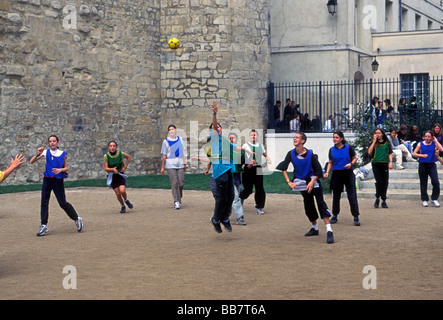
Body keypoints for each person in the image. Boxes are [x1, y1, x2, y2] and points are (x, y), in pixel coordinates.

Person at [276, 132, 334, 244]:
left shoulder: (310, 154)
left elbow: (318, 170)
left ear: (303, 141)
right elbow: (283, 168)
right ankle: (315, 228)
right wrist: (289, 182)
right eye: (294, 137)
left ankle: (329, 230)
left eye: (297, 137)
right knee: (308, 205)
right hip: (302, 182)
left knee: (320, 203)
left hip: (313, 181)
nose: (294, 139)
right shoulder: (291, 154)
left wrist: (312, 182)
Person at [209, 101, 252, 233]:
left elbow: (236, 147)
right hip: (220, 172)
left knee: (231, 196)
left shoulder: (225, 141)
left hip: (229, 171)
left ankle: (225, 219)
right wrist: (214, 114)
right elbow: (215, 128)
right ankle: (216, 219)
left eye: (220, 127)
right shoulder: (215, 139)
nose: (218, 128)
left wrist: (247, 150)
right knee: (221, 198)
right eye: (216, 128)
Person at [30, 135, 83, 236]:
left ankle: (77, 219)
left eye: (54, 141)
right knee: (44, 202)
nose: (52, 143)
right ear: (49, 143)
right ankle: (44, 225)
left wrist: (61, 170)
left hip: (57, 181)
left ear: (57, 142)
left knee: (62, 203)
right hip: (47, 180)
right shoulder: (45, 152)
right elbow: (32, 161)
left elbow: (66, 168)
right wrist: (37, 154)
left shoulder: (62, 154)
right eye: (50, 141)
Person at [324, 131, 360, 226]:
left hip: (348, 173)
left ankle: (356, 216)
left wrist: (351, 164)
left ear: (341, 139)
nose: (334, 139)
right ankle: (335, 215)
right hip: (336, 174)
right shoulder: (331, 150)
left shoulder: (348, 148)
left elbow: (354, 158)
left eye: (336, 137)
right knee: (336, 196)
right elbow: (330, 162)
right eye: (334, 137)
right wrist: (327, 172)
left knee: (352, 196)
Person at [240, 129, 271, 215]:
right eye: (252, 135)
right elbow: (242, 155)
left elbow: (264, 153)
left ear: (257, 136)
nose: (253, 136)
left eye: (255, 135)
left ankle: (259, 207)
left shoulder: (260, 146)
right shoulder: (246, 145)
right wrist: (248, 164)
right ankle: (239, 202)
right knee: (248, 189)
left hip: (258, 168)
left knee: (260, 188)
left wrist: (268, 158)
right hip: (248, 169)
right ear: (250, 136)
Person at [412, 131, 443, 207]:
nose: (427, 138)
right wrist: (422, 155)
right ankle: (425, 199)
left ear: (432, 137)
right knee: (423, 183)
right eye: (426, 136)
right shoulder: (420, 144)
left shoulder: (433, 143)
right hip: (423, 165)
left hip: (432, 164)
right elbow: (414, 154)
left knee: (435, 181)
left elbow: (441, 149)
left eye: (429, 136)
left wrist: (435, 140)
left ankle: (434, 198)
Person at [161, 124, 187, 210]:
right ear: (168, 132)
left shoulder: (180, 139)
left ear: (175, 130)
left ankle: (179, 196)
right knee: (174, 183)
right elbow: (164, 155)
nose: (171, 131)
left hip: (179, 163)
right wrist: (162, 167)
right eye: (170, 130)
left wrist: (184, 163)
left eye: (173, 129)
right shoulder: (166, 141)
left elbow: (182, 152)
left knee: (181, 183)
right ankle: (176, 201)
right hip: (170, 164)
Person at [104, 141, 133, 213]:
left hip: (120, 174)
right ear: (108, 147)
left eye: (114, 146)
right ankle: (123, 206)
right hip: (112, 176)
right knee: (117, 193)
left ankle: (126, 200)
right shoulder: (106, 156)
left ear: (116, 147)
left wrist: (125, 167)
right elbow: (106, 168)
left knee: (122, 190)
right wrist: (112, 169)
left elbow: (128, 157)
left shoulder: (120, 153)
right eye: (111, 146)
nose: (112, 147)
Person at [368, 128, 393, 209]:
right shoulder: (374, 143)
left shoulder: (387, 143)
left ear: (382, 134)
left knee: (385, 182)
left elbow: (389, 153)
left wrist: (391, 162)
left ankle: (383, 200)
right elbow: (369, 152)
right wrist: (374, 141)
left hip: (384, 164)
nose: (377, 134)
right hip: (376, 164)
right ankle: (377, 197)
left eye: (379, 133)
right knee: (379, 182)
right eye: (376, 133)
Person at [228, 132, 246, 225]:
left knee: (238, 196)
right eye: (230, 138)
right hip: (229, 176)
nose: (232, 140)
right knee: (235, 197)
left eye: (233, 138)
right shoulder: (227, 151)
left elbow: (244, 163)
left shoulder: (241, 152)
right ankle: (240, 217)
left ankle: (227, 214)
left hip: (237, 177)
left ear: (237, 140)